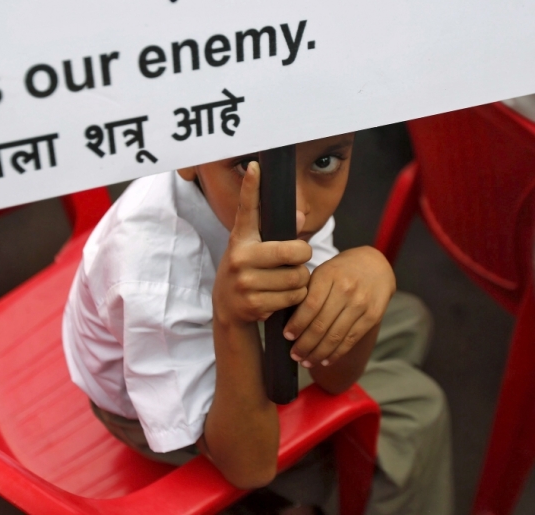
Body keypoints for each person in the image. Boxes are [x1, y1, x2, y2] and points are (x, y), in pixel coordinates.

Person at [62, 133, 453, 515]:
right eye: (248, 167)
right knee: (418, 412)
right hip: (159, 412)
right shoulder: (152, 275)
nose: (297, 211)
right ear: (184, 155)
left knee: (405, 318)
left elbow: (335, 377)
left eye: (325, 161)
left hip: (220, 331)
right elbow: (249, 467)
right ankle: (294, 496)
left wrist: (373, 267)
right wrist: (232, 319)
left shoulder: (270, 171)